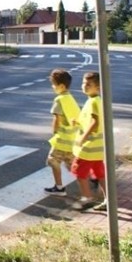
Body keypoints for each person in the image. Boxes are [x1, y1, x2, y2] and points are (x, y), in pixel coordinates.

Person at [70, 72, 107, 211]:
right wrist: (78, 122)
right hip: (97, 148)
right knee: (99, 173)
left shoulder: (93, 101)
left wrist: (83, 137)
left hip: (89, 147)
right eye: (84, 83)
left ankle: (87, 197)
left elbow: (95, 122)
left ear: (98, 87)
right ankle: (108, 199)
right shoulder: (95, 100)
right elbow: (90, 120)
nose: (84, 86)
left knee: (79, 171)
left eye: (89, 84)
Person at [43, 69, 81, 196]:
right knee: (72, 164)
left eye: (54, 84)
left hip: (62, 139)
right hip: (72, 138)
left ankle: (59, 187)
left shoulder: (59, 99)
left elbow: (57, 118)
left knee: (53, 160)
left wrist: (54, 131)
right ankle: (92, 178)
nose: (52, 87)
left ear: (62, 86)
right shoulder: (70, 98)